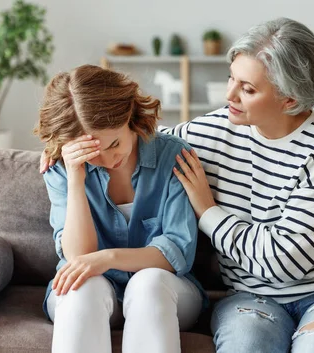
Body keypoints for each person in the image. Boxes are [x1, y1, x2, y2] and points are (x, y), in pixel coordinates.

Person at [40, 18, 314, 353]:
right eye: (231, 79)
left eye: (247, 89)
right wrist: (59, 147)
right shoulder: (213, 131)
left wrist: (208, 211)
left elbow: (283, 264)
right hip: (252, 298)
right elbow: (144, 138)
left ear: (288, 100)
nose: (230, 96)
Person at [34, 64, 204, 353]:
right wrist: (76, 177)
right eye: (92, 154)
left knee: (148, 283)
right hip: (93, 293)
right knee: (81, 286)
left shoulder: (172, 155)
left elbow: (177, 252)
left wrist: (108, 258)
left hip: (167, 291)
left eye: (114, 143)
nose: (109, 159)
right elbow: (78, 259)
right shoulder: (62, 167)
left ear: (129, 117)